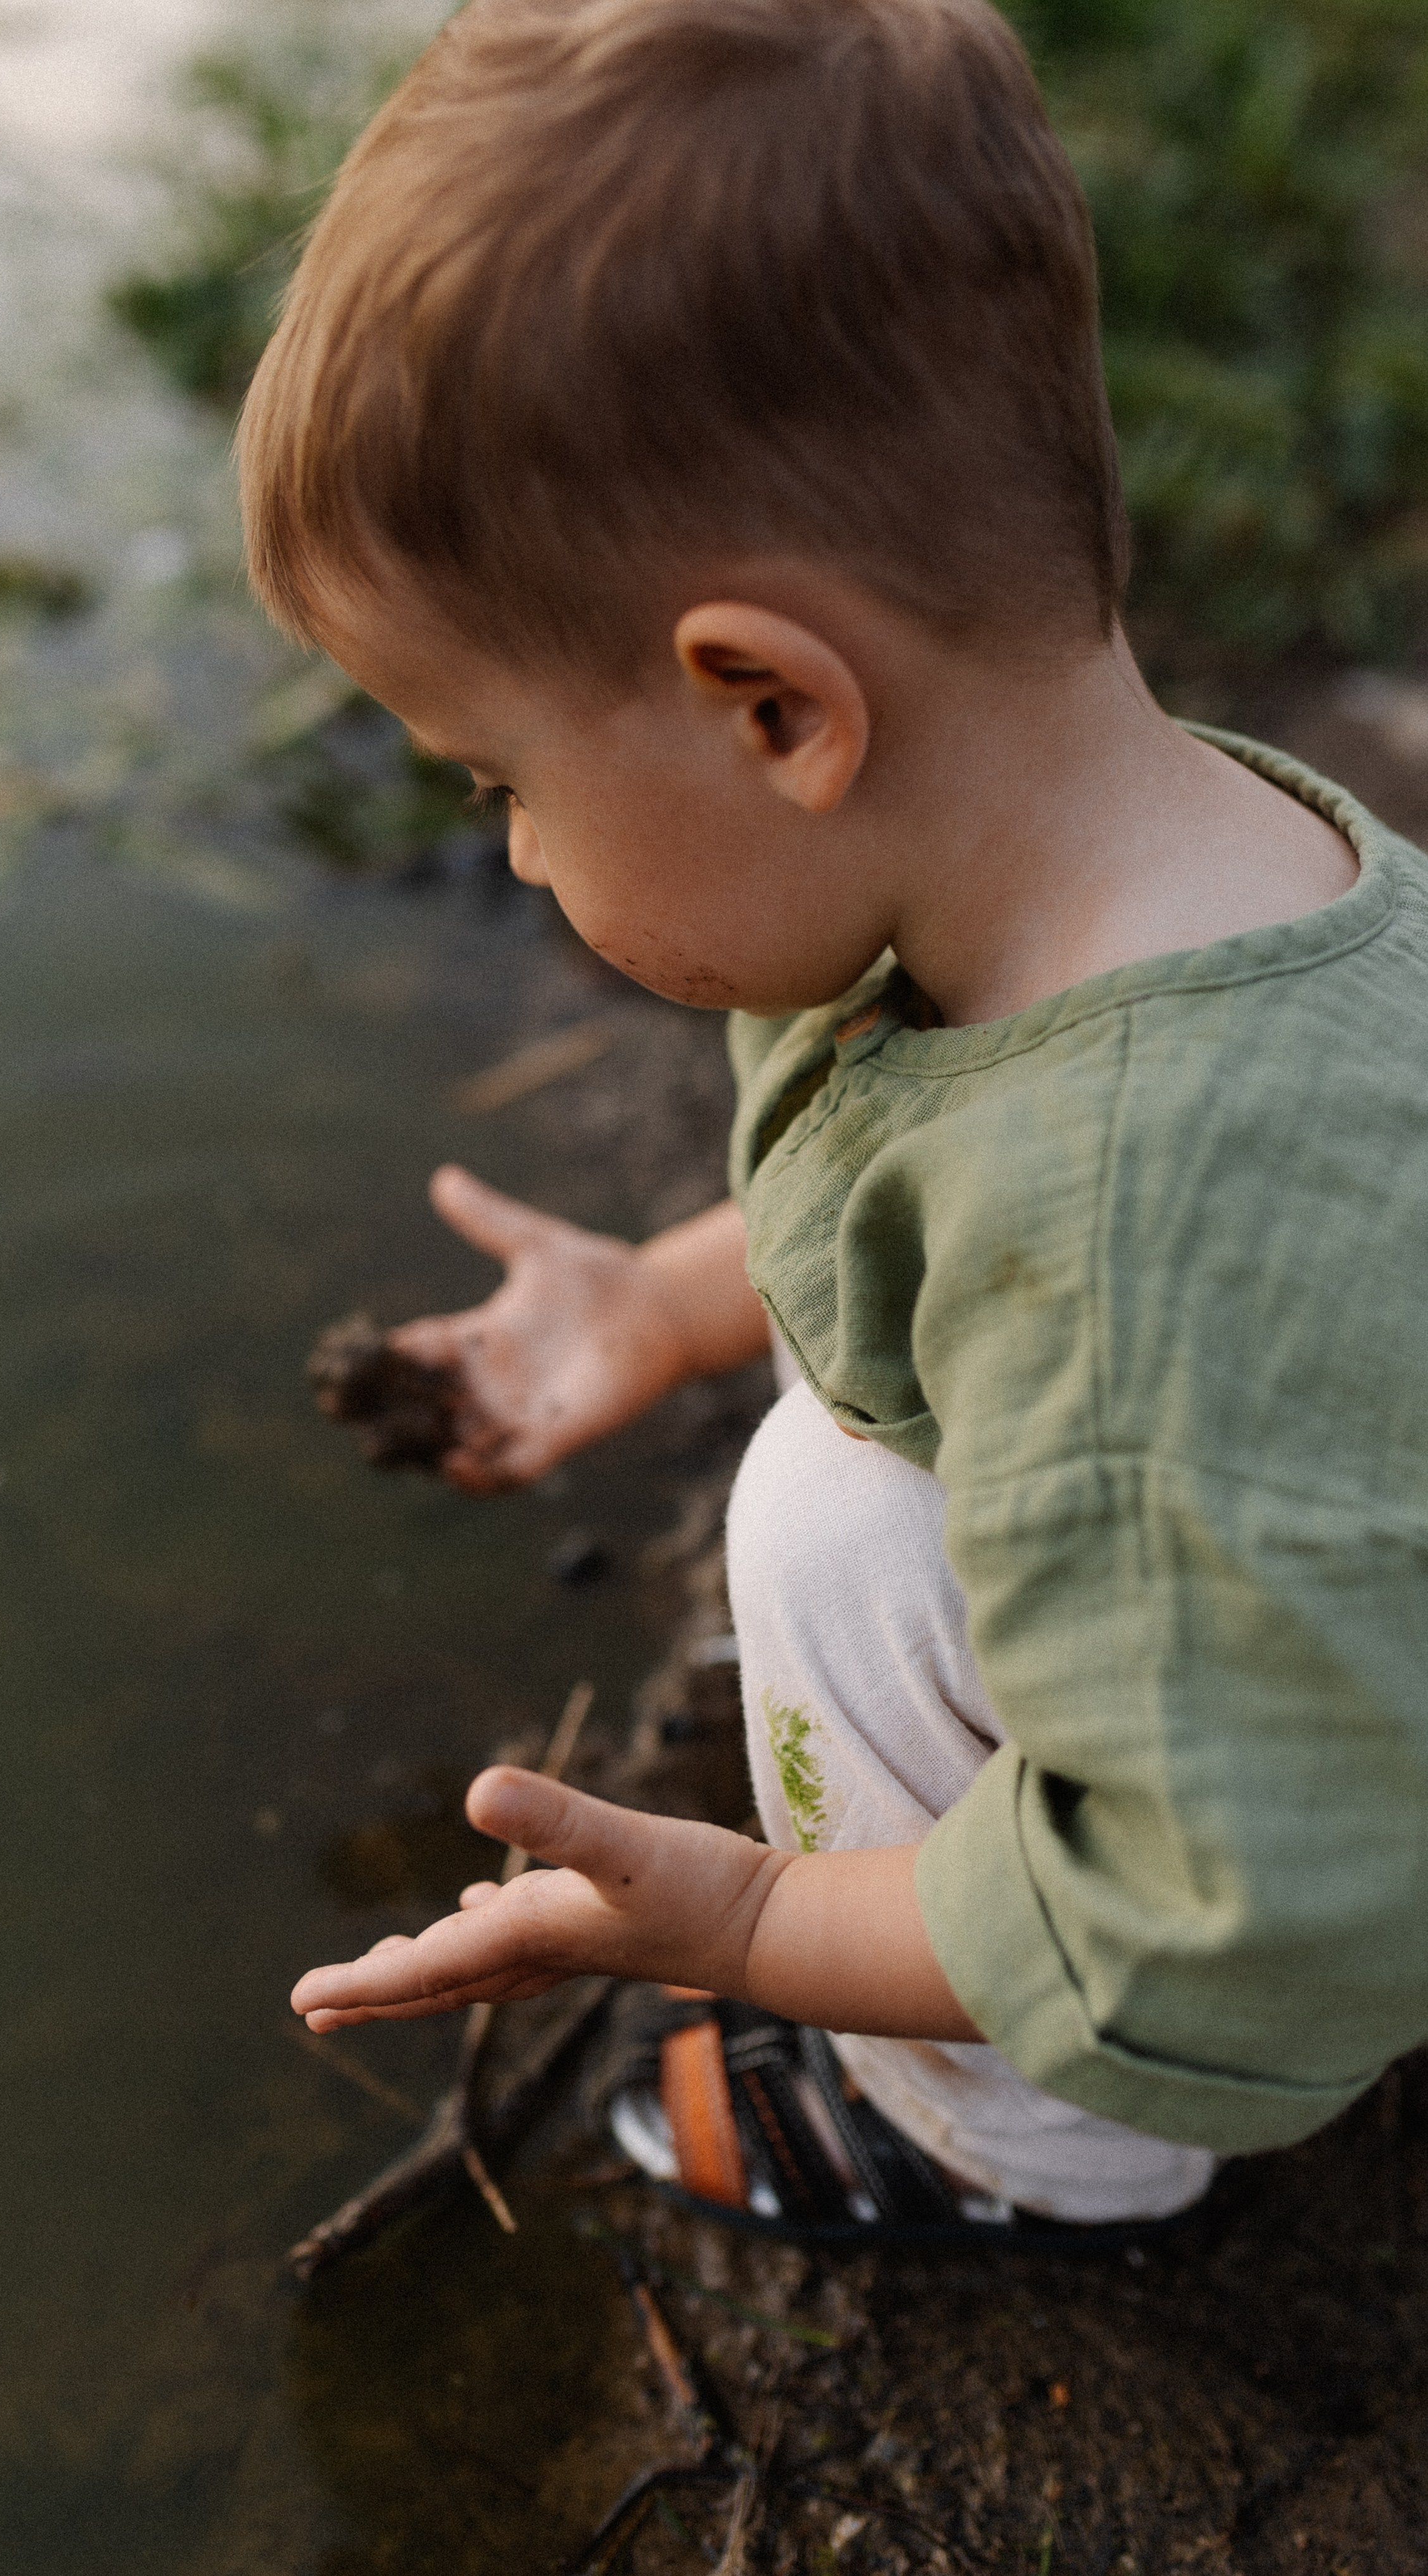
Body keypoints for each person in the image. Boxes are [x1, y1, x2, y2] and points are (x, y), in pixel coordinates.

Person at [238, 0, 1428, 2235]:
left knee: (822, 1527)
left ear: (766, 702)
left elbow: (1215, 1914)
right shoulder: (1223, 876)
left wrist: (748, 1926)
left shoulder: (1129, 1248)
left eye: (503, 785)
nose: (511, 859)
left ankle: (1008, 2150)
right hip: (1335, 1617)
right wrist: (678, 1303)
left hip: (1290, 1822)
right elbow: (947, 1183)